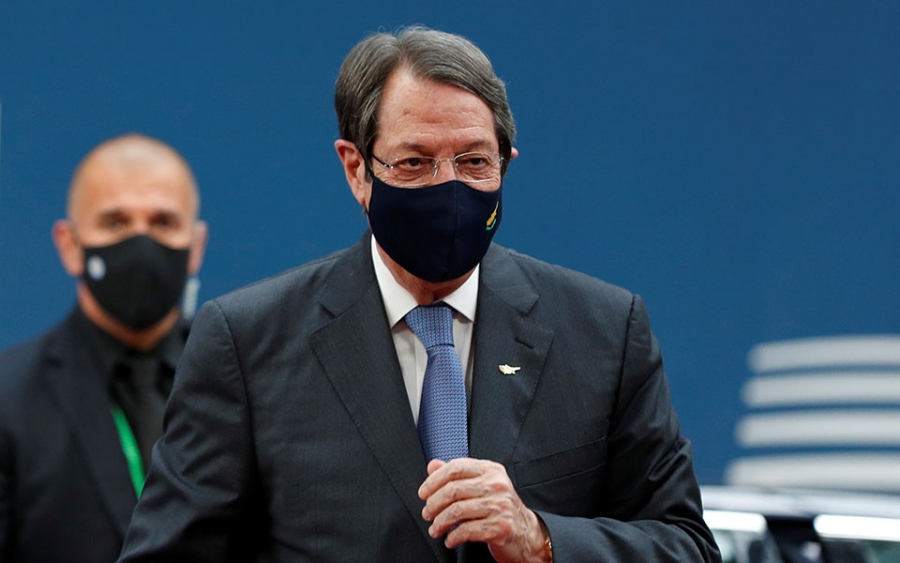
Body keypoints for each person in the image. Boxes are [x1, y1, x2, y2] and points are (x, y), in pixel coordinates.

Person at [118, 27, 720, 562]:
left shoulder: (605, 332)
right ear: (356, 169)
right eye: (414, 163)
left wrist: (541, 540)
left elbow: (685, 546)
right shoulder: (247, 343)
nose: (448, 190)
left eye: (474, 162)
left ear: (506, 164)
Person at [0, 133, 208, 562]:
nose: (141, 244)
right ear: (69, 244)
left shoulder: (250, 386)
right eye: (115, 223)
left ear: (196, 245)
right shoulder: (8, 400)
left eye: (163, 223)